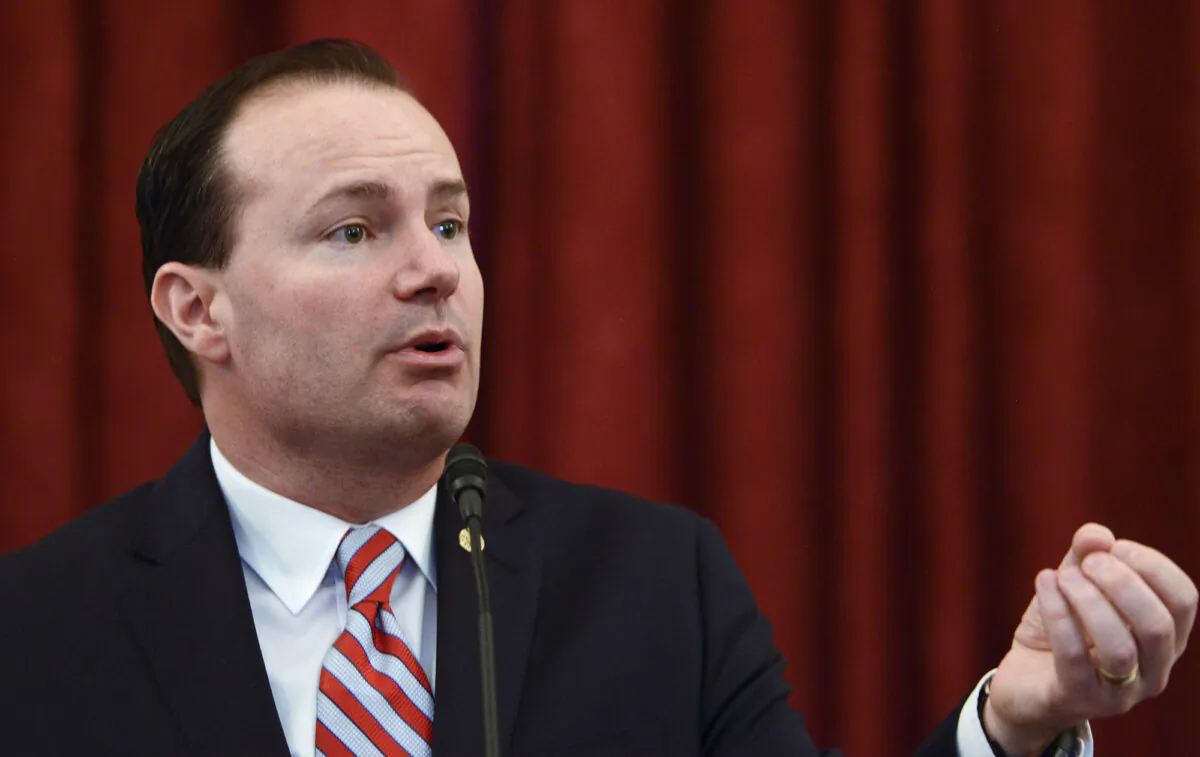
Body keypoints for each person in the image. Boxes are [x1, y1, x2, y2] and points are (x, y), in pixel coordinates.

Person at [0, 39, 1193, 757]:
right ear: (195, 308)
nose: (435, 268)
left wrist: (1017, 723)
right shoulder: (39, 633)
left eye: (452, 222)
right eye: (355, 228)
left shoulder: (651, 582)